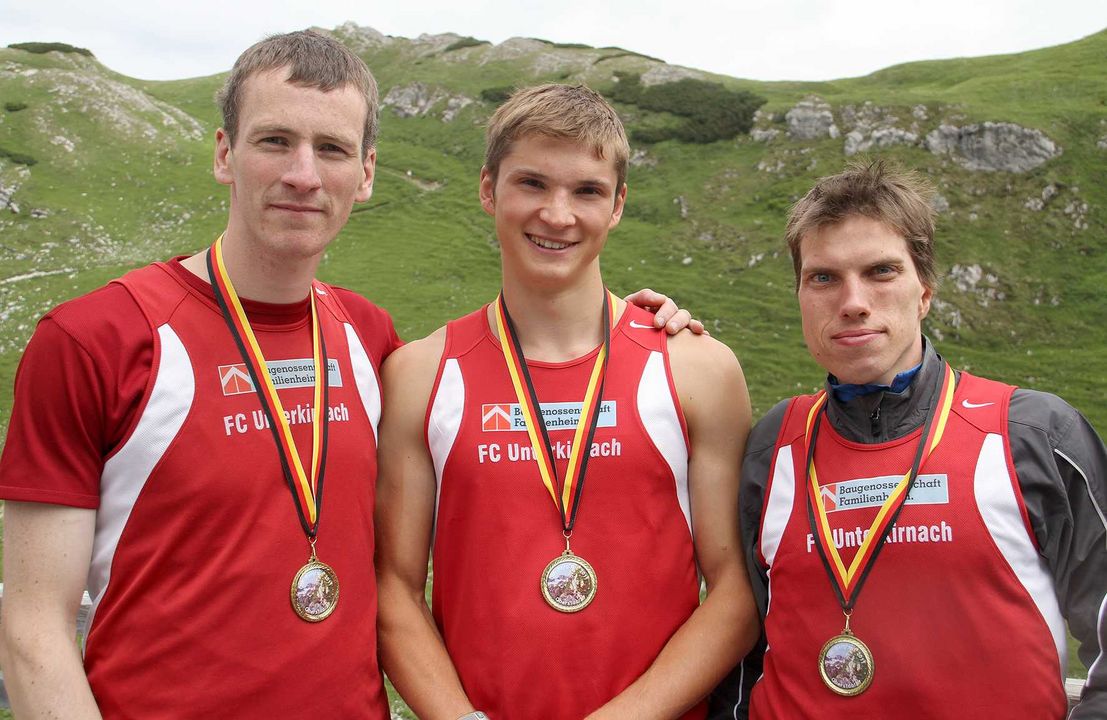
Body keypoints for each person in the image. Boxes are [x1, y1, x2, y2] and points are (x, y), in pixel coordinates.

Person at [0, 32, 693, 719]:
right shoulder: (95, 340)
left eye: (330, 149)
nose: (302, 174)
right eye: (274, 141)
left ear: (364, 175)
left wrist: (643, 324)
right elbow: (33, 628)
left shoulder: (371, 340)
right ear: (224, 154)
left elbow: (530, 365)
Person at [375, 83, 760, 720]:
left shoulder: (698, 368)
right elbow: (394, 587)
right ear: (487, 189)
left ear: (618, 206)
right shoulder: (419, 374)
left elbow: (735, 592)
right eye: (532, 183)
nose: (558, 215)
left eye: (586, 191)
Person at [709, 161, 1107, 719]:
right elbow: (741, 646)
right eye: (823, 277)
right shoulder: (771, 444)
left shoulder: (1034, 434)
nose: (852, 301)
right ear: (800, 295)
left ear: (925, 291)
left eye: (881, 272)